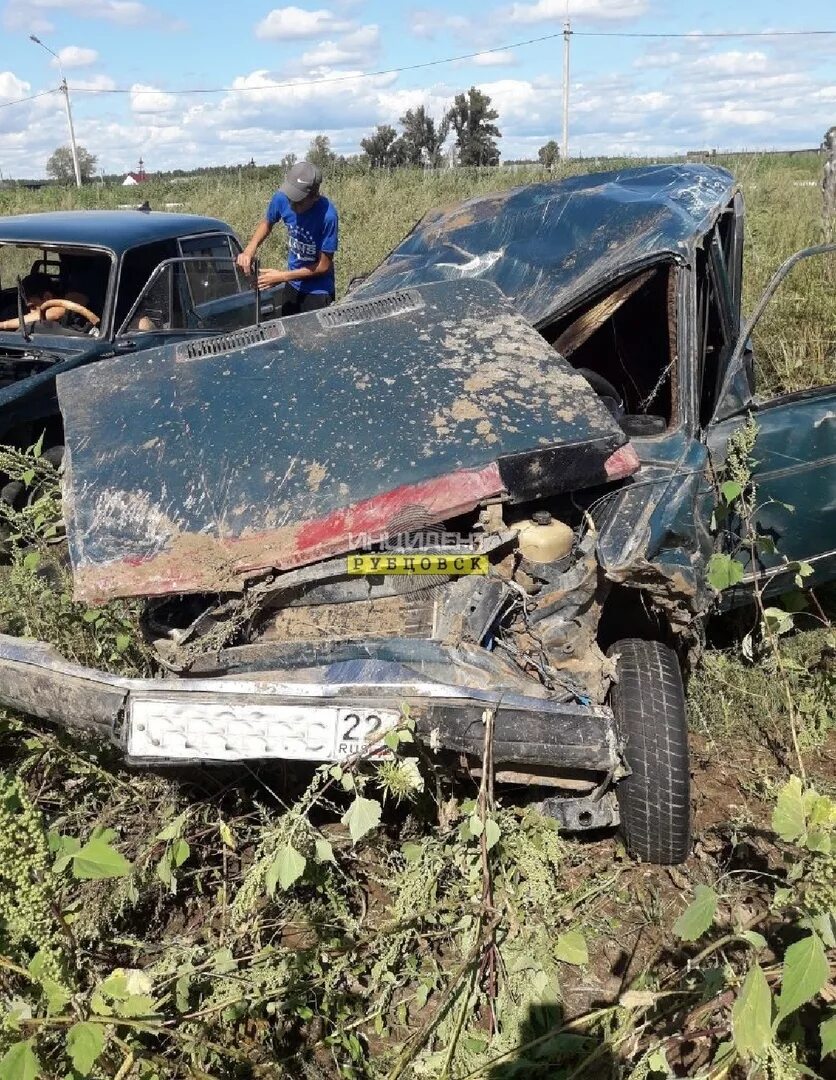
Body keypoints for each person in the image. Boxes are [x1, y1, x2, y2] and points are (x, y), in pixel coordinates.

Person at [236, 161, 338, 316]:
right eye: (290, 198)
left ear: (315, 196)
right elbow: (267, 222)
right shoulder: (282, 198)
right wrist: (250, 249)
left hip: (318, 292)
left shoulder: (328, 216)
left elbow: (323, 266)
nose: (292, 205)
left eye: (299, 201)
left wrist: (281, 276)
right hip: (292, 286)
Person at [0, 272, 97, 332]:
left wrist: (4, 325)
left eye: (33, 306)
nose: (30, 313)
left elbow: (56, 312)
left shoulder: (71, 306)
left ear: (47, 297)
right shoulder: (12, 311)